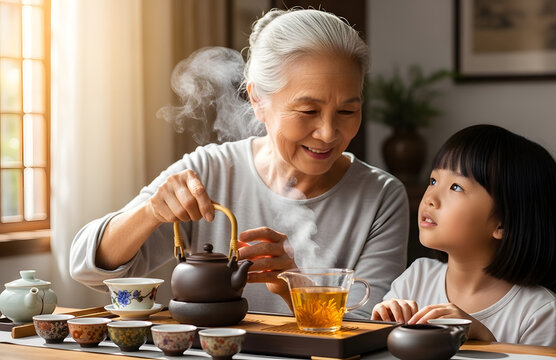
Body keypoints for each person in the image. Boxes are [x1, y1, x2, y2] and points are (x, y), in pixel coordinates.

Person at [69, 8, 409, 319]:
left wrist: (293, 285)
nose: (327, 132)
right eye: (308, 111)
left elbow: (366, 326)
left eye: (347, 111)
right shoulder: (209, 171)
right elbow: (87, 268)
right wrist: (151, 212)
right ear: (258, 100)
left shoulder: (381, 197)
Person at [371, 124, 556, 347]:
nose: (430, 198)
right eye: (433, 181)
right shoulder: (416, 279)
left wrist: (487, 341)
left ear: (503, 224)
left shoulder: (539, 312)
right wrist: (381, 328)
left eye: (456, 187)